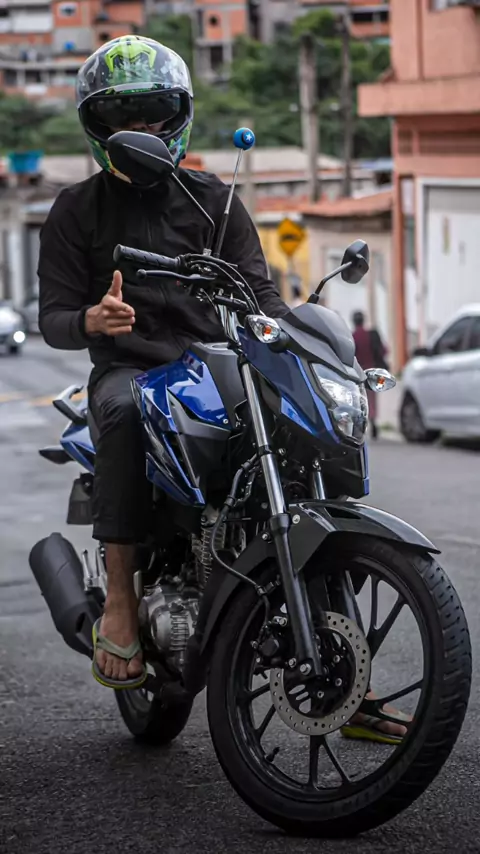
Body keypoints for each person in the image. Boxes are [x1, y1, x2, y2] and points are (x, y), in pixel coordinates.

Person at [38, 35, 408, 743]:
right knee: (120, 408)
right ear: (97, 124)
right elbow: (52, 317)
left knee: (306, 438)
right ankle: (120, 603)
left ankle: (344, 672)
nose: (142, 129)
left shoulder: (215, 198)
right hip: (131, 370)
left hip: (219, 366)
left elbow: (262, 295)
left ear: (179, 115)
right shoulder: (75, 210)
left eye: (155, 113)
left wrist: (300, 339)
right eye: (123, 116)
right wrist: (90, 318)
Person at [352, 310, 389, 439]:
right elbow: (384, 350)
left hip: (358, 372)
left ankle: (360, 424)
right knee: (372, 399)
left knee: (358, 398)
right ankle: (373, 421)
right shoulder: (371, 335)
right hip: (373, 370)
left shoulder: (352, 336)